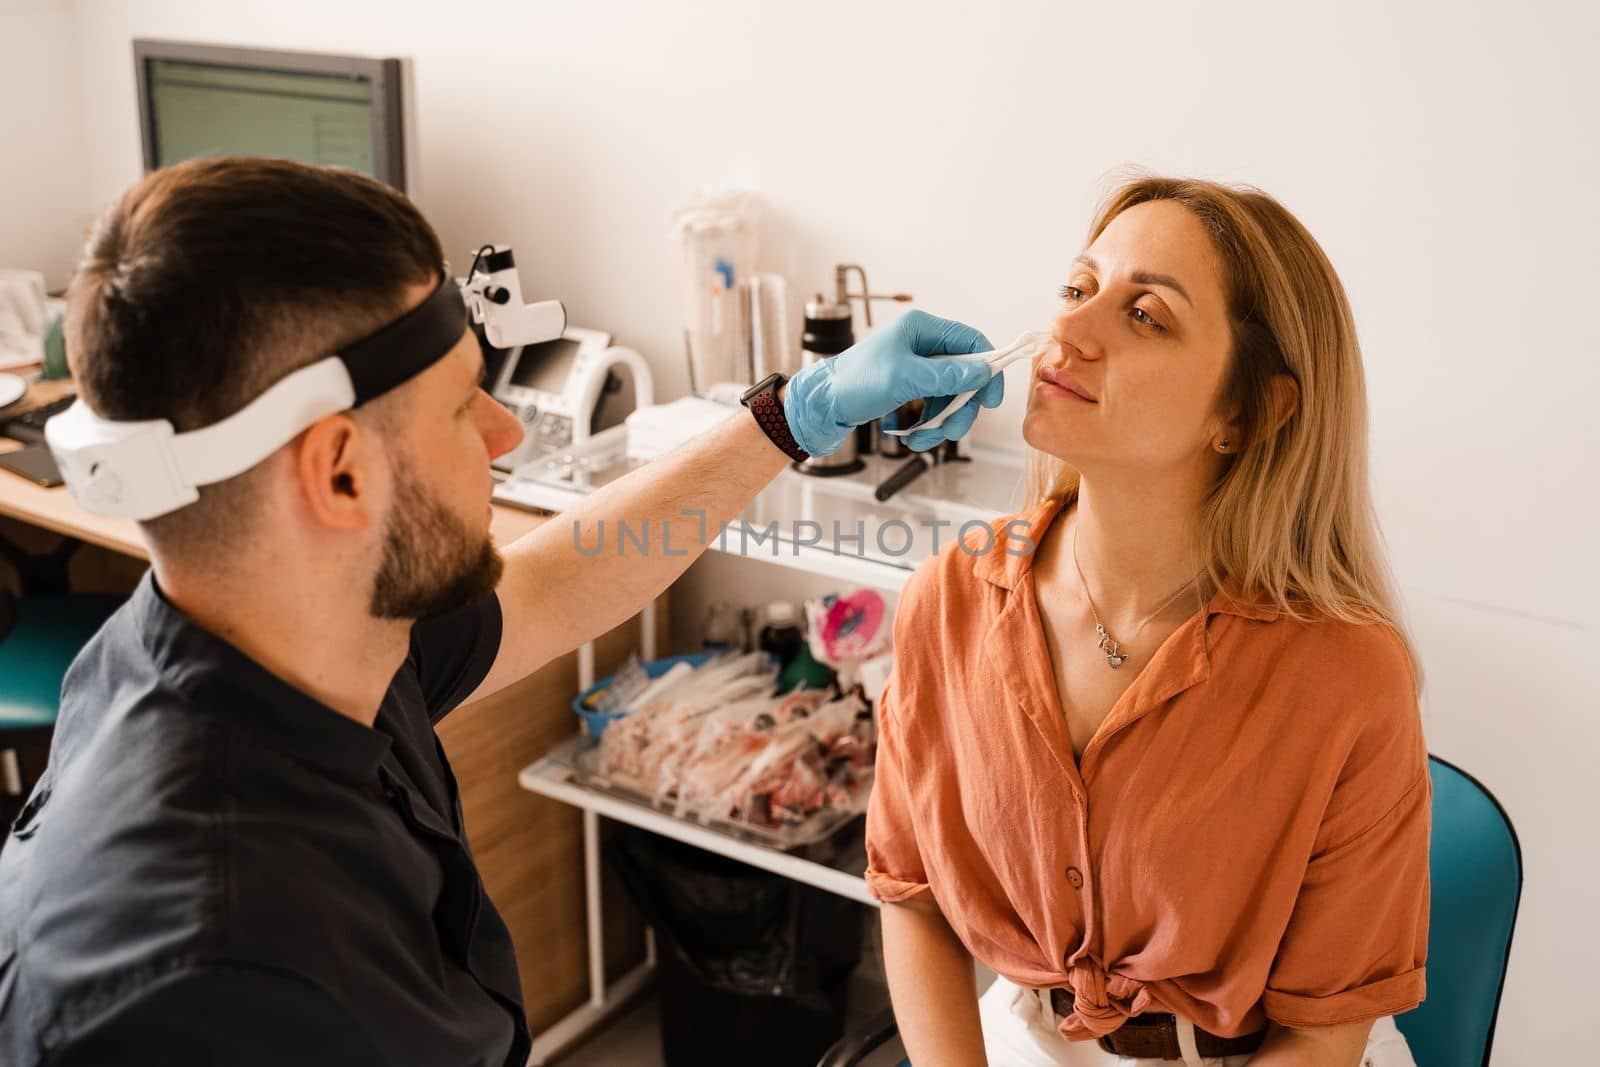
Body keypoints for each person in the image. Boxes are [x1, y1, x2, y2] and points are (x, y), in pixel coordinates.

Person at [0, 155, 1004, 1067]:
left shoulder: (266, 631)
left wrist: (793, 415)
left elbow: (549, 583)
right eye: (462, 403)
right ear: (339, 475)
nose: (505, 430)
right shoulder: (218, 980)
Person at [866, 175, 1430, 1067]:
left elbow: (1325, 1029)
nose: (1069, 332)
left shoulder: (1349, 675)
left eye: (1146, 317)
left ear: (1246, 413)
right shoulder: (950, 598)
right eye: (1079, 290)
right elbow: (912, 893)